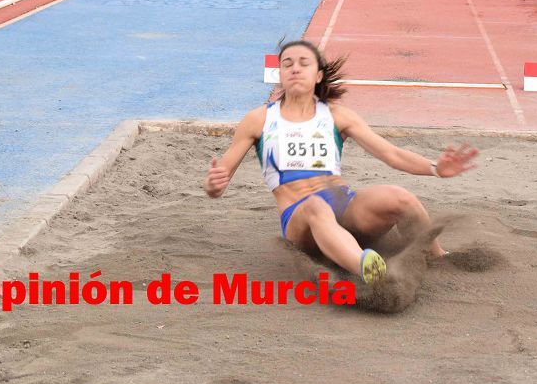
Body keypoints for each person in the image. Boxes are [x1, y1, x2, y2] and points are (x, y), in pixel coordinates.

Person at [203, 39, 478, 284]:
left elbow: (391, 154)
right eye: (287, 64)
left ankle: (437, 257)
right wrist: (214, 186)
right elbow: (219, 180)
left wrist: (436, 169)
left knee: (400, 197)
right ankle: (370, 272)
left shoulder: (336, 115)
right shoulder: (259, 119)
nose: (295, 69)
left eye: (303, 63)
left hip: (345, 209)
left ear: (318, 74)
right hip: (302, 221)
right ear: (280, 75)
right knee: (316, 206)